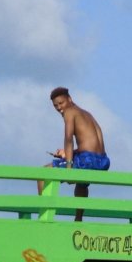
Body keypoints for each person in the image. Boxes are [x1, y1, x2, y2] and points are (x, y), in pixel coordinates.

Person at [38, 87, 110, 221]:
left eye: (61, 103)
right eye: (55, 106)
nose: (59, 108)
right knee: (82, 183)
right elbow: (90, 147)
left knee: (44, 173)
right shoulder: (87, 114)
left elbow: (68, 139)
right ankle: (78, 219)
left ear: (70, 99)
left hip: (88, 159)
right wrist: (67, 154)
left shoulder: (69, 112)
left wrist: (69, 168)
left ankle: (44, 217)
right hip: (102, 161)